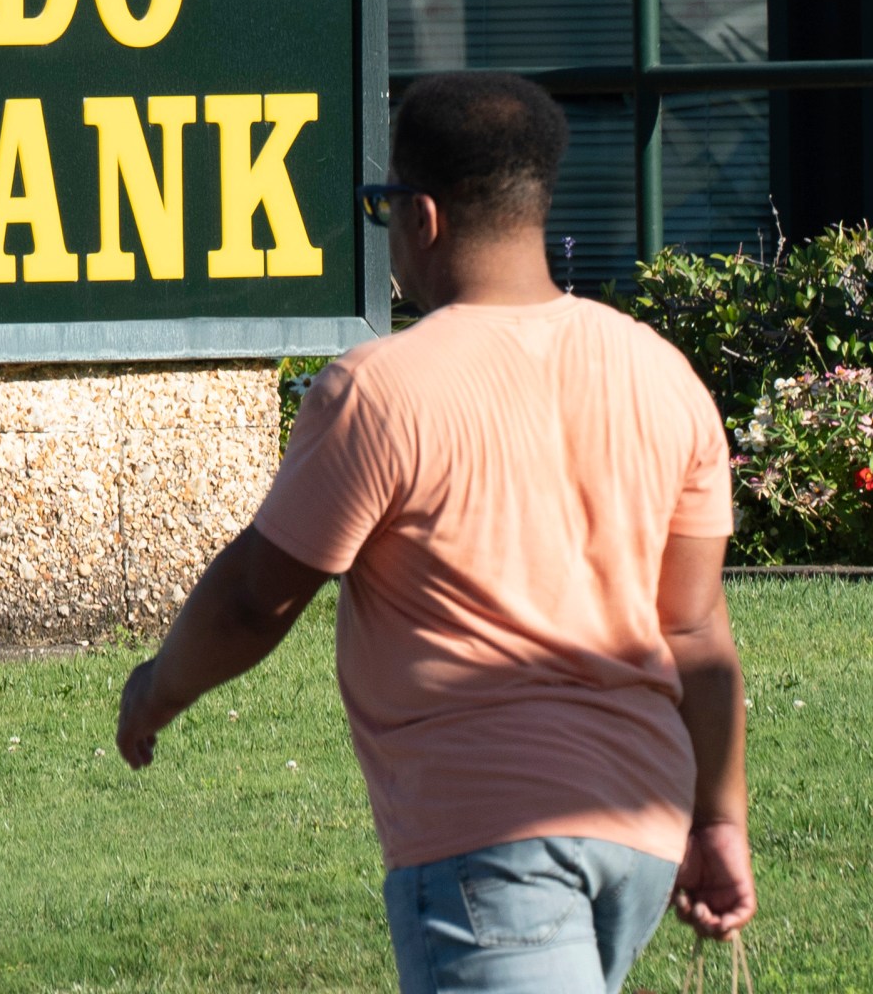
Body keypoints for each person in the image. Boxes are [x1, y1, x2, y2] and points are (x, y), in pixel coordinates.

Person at [114, 71, 755, 993]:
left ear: (421, 216)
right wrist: (720, 821)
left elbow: (259, 598)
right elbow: (695, 635)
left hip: (493, 838)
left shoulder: (379, 390)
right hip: (642, 831)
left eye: (383, 211)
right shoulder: (661, 374)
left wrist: (157, 689)